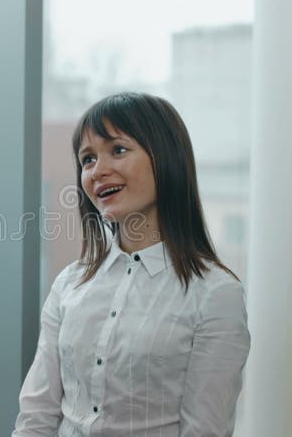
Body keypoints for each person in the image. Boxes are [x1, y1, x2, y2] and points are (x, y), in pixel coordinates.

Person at [13, 92, 250, 437]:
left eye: (118, 150)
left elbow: (204, 431)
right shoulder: (70, 284)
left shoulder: (216, 295)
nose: (98, 171)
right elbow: (36, 417)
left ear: (165, 157)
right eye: (88, 159)